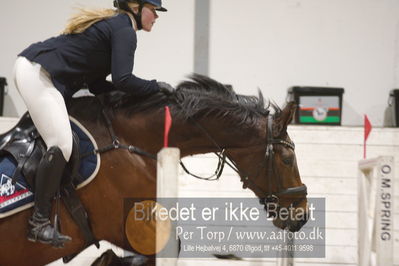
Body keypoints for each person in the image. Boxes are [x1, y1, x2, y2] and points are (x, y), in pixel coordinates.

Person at [13, 0, 174, 247]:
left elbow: (99, 85)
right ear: (135, 6)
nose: (157, 16)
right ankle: (38, 223)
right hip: (37, 74)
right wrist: (155, 87)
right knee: (62, 144)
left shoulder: (118, 26)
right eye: (154, 10)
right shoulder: (124, 31)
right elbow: (123, 79)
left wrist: (139, 95)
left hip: (38, 72)